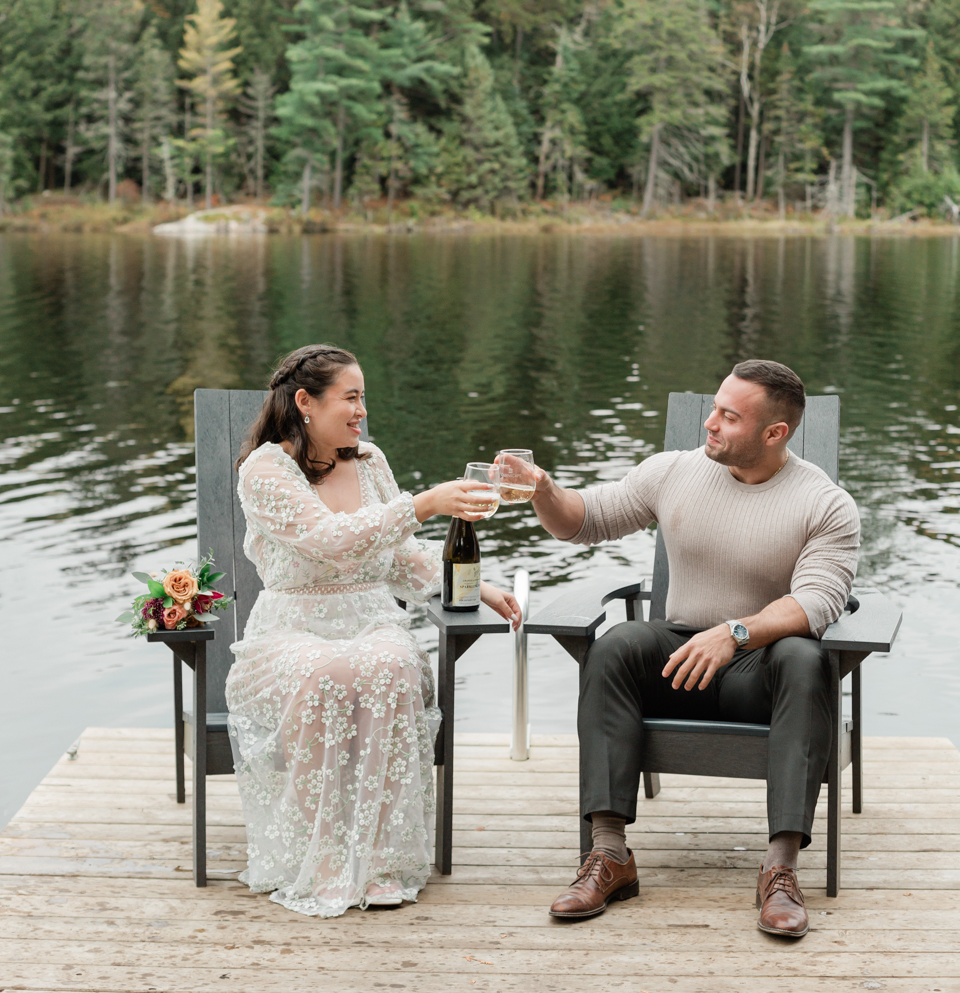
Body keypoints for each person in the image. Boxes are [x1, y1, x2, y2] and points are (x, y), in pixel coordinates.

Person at [529, 359, 859, 938]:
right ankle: (609, 856)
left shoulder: (825, 504)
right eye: (713, 407)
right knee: (616, 645)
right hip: (679, 658)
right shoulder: (673, 472)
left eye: (729, 417)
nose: (710, 423)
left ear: (774, 433)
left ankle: (779, 870)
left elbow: (816, 603)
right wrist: (543, 488)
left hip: (762, 671)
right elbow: (581, 523)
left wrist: (734, 633)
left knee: (806, 656)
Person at [225, 344, 521, 918]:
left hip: (368, 617)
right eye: (352, 397)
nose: (362, 411)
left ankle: (382, 860)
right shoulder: (264, 470)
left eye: (364, 397)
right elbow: (331, 541)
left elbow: (398, 557)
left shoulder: (369, 460)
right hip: (290, 627)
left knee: (388, 664)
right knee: (326, 672)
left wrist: (473, 585)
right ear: (306, 402)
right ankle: (329, 860)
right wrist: (427, 503)